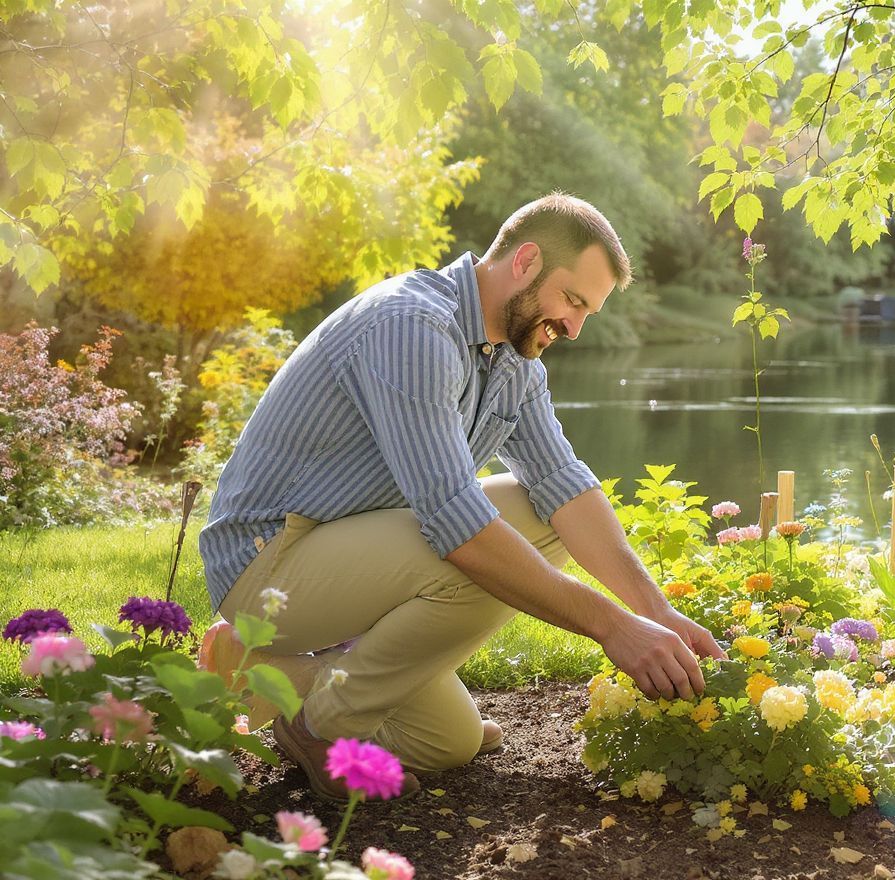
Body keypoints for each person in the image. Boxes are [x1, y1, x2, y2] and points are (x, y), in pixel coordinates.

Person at [197, 193, 724, 801]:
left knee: (448, 741)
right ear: (525, 261)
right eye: (573, 301)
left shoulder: (514, 359)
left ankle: (266, 672)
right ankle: (322, 725)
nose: (576, 328)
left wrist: (655, 614)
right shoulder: (413, 327)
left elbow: (566, 485)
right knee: (489, 547)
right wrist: (612, 627)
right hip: (269, 563)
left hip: (350, 555)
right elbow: (458, 525)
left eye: (588, 312)